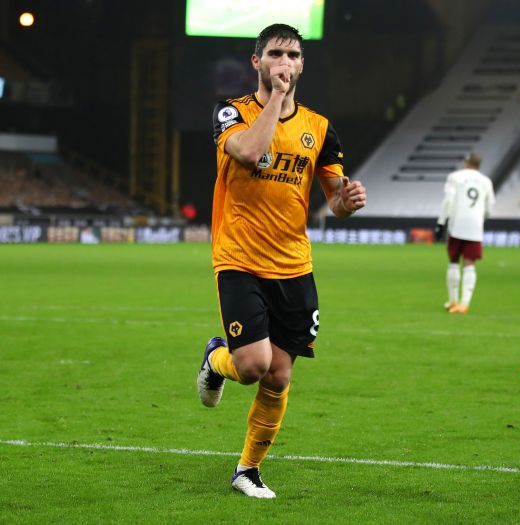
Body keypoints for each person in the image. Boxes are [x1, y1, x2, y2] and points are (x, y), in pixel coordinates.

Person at [196, 24, 367, 499]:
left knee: (279, 374)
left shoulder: (320, 128)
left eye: (292, 54)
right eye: (275, 54)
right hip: (239, 258)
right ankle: (216, 359)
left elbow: (334, 199)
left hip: (293, 264)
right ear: (257, 62)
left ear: (302, 63)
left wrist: (348, 200)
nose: (284, 62)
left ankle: (247, 470)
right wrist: (277, 97)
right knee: (251, 366)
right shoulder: (232, 112)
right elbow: (250, 153)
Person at [434, 153, 495, 314]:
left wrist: (441, 222)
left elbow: (448, 200)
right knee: (470, 264)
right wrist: (480, 218)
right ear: (479, 164)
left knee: (453, 261)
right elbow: (490, 207)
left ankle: (452, 301)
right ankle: (464, 303)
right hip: (475, 227)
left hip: (457, 225)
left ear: (466, 162)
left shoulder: (455, 177)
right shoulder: (486, 181)